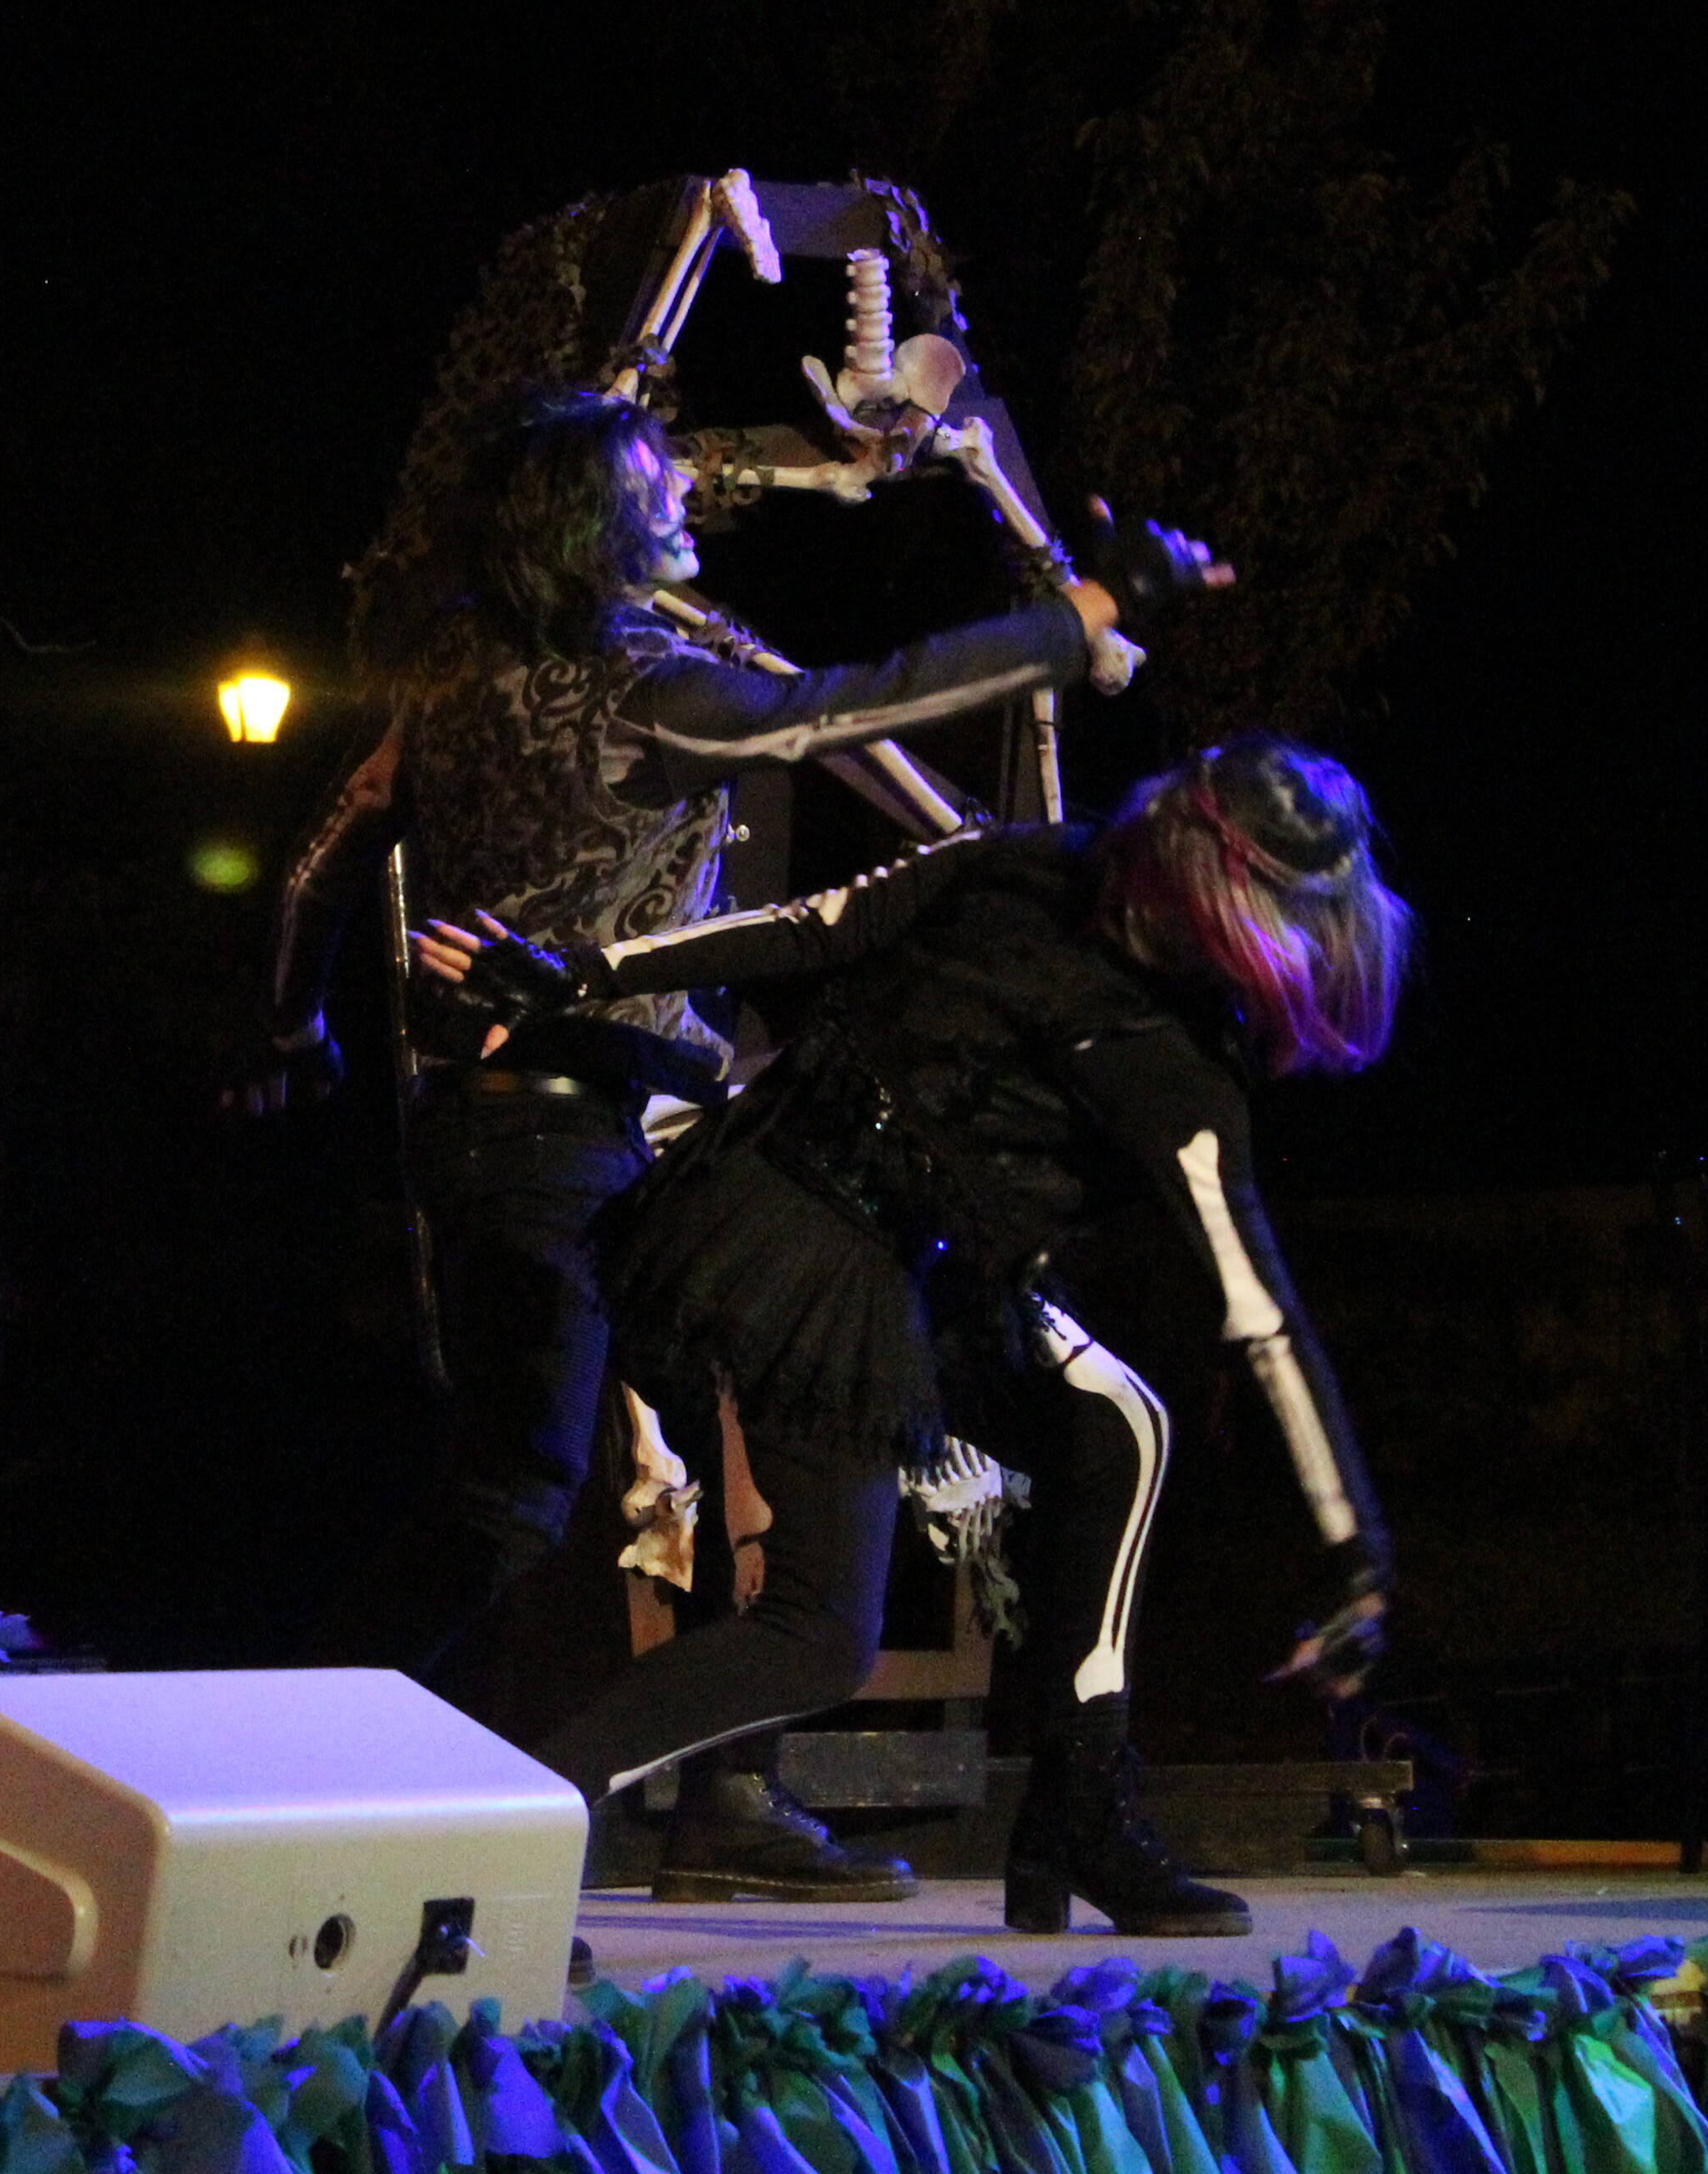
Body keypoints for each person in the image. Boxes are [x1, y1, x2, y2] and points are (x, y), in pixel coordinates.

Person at [267, 382, 1217, 1901]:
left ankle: (708, 1791)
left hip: (543, 1135)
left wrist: (287, 1029)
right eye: (655, 487)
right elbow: (848, 707)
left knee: (638, 1464)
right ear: (595, 526)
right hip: (591, 1135)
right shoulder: (644, 690)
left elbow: (322, 862)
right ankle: (312, 1777)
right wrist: (1081, 617)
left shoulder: (446, 695)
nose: (683, 505)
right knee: (547, 1489)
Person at [419, 734, 1402, 1936]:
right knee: (818, 1638)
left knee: (1114, 1424)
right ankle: (496, 1846)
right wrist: (1353, 1550)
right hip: (814, 1262)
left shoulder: (1027, 865)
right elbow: (1261, 1317)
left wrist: (577, 970)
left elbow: (807, 927)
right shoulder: (1150, 1042)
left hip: (897, 1246)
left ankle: (1078, 1815)